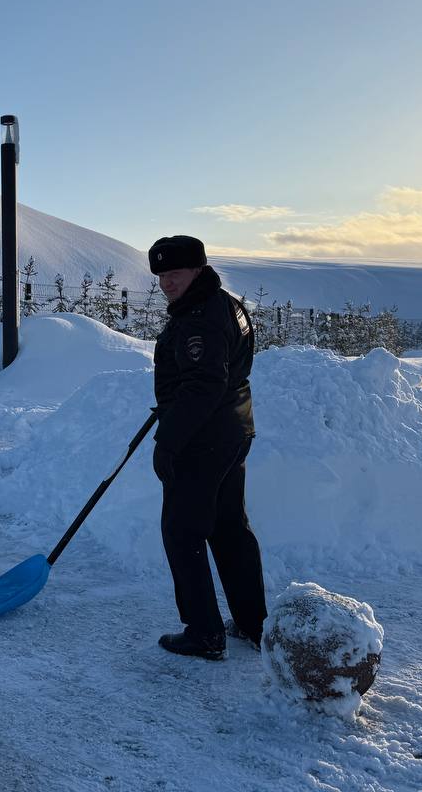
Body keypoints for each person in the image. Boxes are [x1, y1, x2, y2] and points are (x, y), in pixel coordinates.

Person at [148, 235, 266, 660]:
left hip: (203, 439)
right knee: (229, 528)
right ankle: (254, 623)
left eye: (175, 273)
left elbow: (204, 384)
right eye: (161, 275)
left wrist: (168, 440)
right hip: (233, 430)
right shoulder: (225, 304)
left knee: (183, 531)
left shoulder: (200, 317)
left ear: (198, 269)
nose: (167, 282)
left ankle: (204, 632)